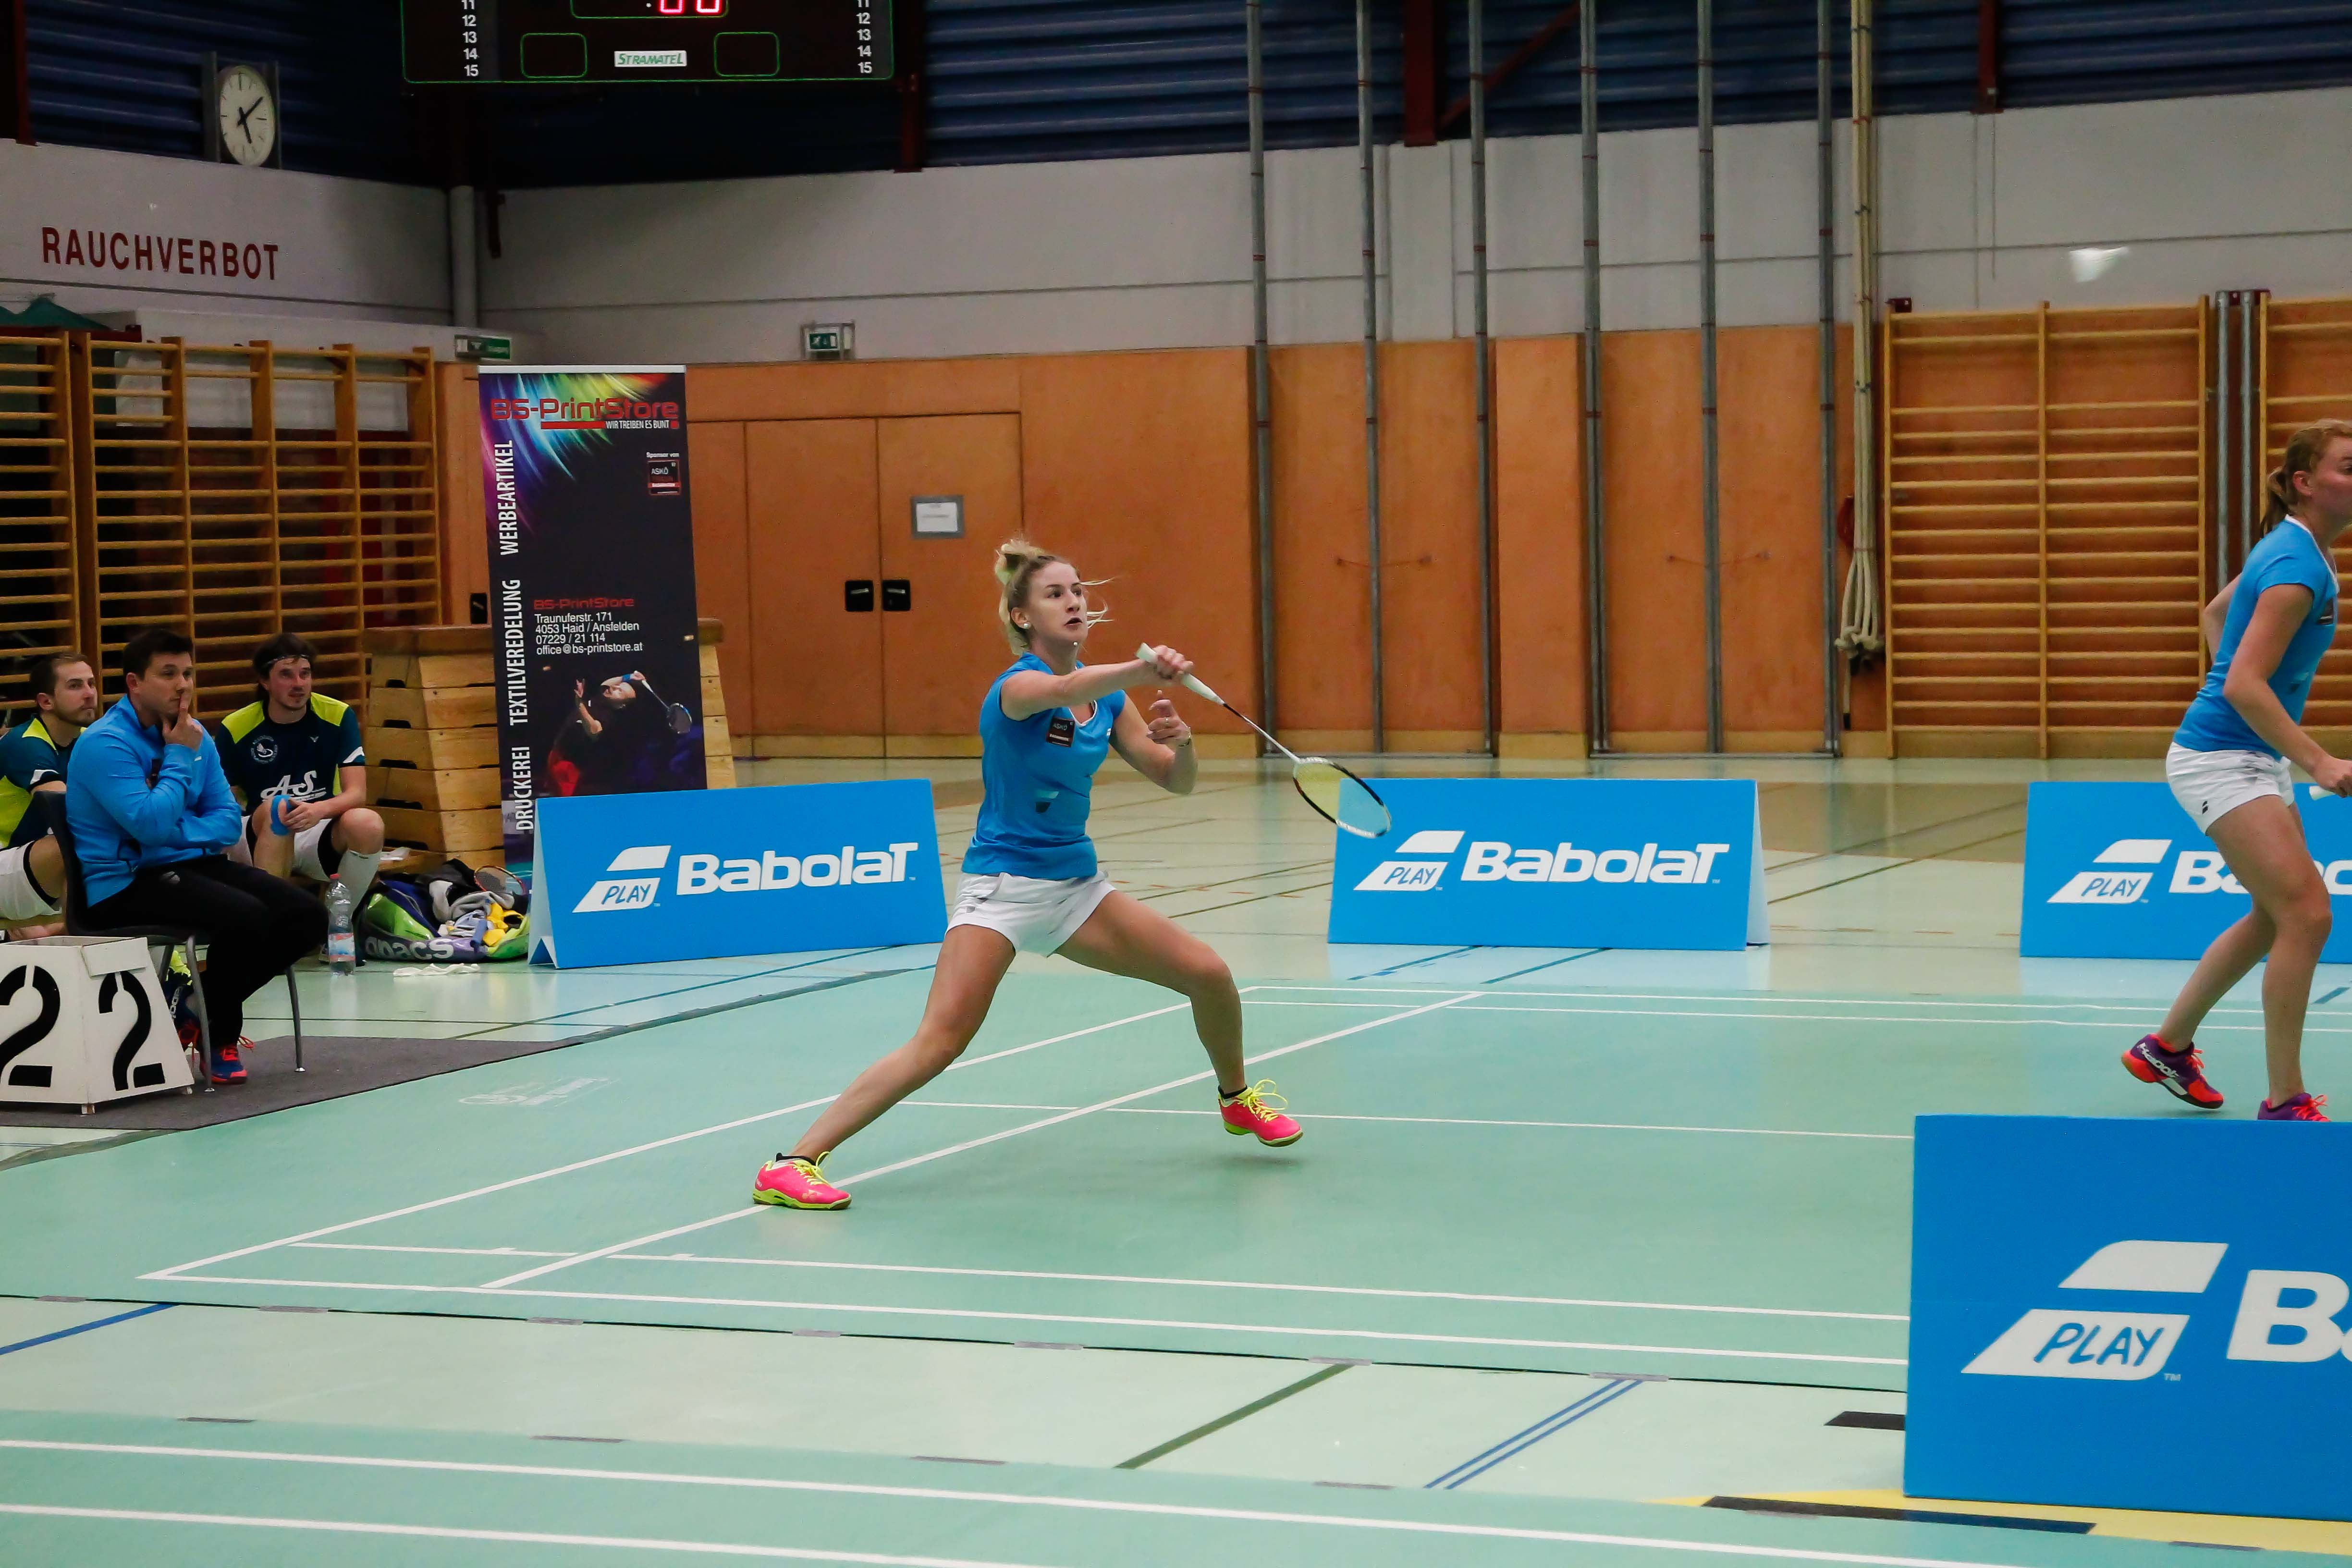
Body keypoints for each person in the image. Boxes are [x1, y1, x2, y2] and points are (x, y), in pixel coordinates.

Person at [751, 539, 1301, 1212]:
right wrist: (1143, 668)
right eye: (1055, 594)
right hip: (1003, 891)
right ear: (1021, 617)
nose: (1074, 602)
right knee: (940, 1041)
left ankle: (1236, 1099)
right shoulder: (1017, 689)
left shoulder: (1110, 700)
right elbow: (1064, 689)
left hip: (1076, 890)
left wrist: (1181, 742)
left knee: (1209, 974)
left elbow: (1174, 781)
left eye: (1078, 592)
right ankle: (791, 1163)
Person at [2127, 419, 2352, 1123]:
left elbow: (2216, 612)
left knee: (2273, 914)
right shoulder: (2295, 568)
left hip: (2250, 755)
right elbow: (2243, 685)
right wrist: (2319, 760)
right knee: (2308, 914)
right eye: (2349, 467)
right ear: (2306, 484)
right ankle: (2285, 1099)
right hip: (2220, 760)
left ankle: (2166, 1047)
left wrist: (2249, 703)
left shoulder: (2298, 546)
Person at [67, 627, 327, 1083]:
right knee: (245, 916)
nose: (183, 685)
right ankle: (218, 1036)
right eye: (168, 674)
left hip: (191, 866)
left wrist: (170, 833)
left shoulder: (195, 734)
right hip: (124, 884)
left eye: (187, 674)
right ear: (135, 683)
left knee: (307, 916)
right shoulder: (106, 743)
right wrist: (178, 758)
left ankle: (194, 1002)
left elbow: (227, 822)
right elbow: (150, 825)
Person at [216, 633, 384, 907]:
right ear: (264, 681)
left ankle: (337, 922)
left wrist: (318, 810)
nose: (299, 684)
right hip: (257, 834)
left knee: (368, 824)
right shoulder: (236, 727)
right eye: (286, 675)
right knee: (280, 808)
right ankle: (273, 923)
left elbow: (357, 794)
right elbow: (225, 803)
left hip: (315, 827)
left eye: (305, 674)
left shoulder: (338, 715)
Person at [0, 650, 99, 940]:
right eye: (75, 686)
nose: (89, 694)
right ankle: (69, 932)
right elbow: (70, 813)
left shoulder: (91, 740)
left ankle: (58, 932)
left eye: (91, 683)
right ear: (46, 702)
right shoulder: (26, 744)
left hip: (33, 865)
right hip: (8, 860)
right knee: (78, 839)